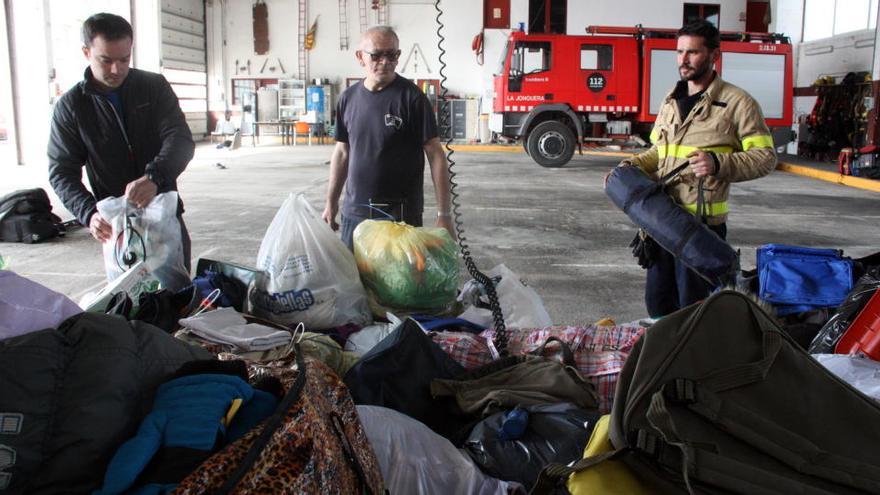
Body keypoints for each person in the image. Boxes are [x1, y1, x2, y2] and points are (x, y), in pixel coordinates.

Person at [615, 20, 776, 317]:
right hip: (660, 223)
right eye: (679, 52)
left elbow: (765, 157)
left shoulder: (738, 103)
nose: (684, 60)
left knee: (694, 312)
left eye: (693, 52)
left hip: (701, 231)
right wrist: (626, 168)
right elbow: (659, 153)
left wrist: (718, 163)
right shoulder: (670, 100)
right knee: (658, 307)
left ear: (715, 55)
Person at [48, 13, 195, 270]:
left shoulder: (153, 87)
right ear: (86, 52)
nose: (116, 69)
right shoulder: (72, 107)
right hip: (117, 224)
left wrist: (154, 177)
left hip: (164, 212)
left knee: (180, 293)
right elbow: (62, 171)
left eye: (124, 59)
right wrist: (88, 212)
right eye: (105, 60)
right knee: (130, 300)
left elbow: (180, 138)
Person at [321, 25, 454, 249]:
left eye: (391, 54)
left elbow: (435, 155)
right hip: (356, 211)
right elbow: (342, 152)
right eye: (376, 55)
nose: (385, 61)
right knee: (353, 279)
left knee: (398, 281)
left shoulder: (412, 99)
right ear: (360, 57)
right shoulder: (348, 99)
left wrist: (445, 214)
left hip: (399, 213)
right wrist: (331, 202)